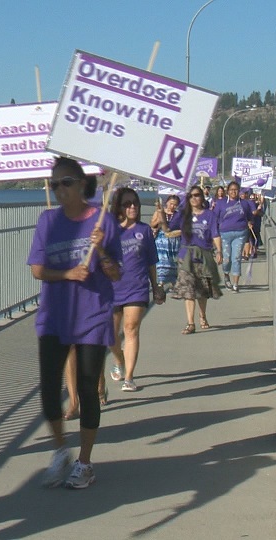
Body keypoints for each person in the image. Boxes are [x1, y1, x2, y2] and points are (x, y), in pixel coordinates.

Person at [27, 157, 122, 489]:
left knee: (86, 388)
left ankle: (84, 461)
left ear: (82, 184)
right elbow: (37, 268)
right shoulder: (47, 221)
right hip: (55, 316)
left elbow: (116, 273)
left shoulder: (103, 220)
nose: (60, 189)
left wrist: (102, 252)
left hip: (92, 315)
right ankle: (59, 451)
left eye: (65, 183)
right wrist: (68, 273)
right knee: (50, 390)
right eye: (54, 185)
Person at [106, 187, 165, 392]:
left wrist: (156, 286)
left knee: (131, 329)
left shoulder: (144, 230)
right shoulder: (109, 230)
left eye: (135, 203)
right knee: (110, 333)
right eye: (127, 204)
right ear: (119, 207)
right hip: (111, 288)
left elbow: (151, 262)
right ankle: (119, 359)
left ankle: (129, 377)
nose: (132, 207)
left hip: (137, 287)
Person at [166, 185, 223, 334]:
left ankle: (202, 315)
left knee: (202, 291)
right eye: (191, 196)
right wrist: (162, 212)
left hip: (203, 255)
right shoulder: (183, 215)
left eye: (197, 195)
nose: (194, 198)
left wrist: (219, 251)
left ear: (202, 197)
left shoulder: (209, 215)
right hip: (186, 256)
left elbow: (215, 234)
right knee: (188, 291)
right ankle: (190, 323)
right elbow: (168, 228)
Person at [213, 181, 252, 292]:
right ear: (227, 191)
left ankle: (235, 284)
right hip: (224, 234)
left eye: (236, 190)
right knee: (226, 259)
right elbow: (214, 219)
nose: (233, 192)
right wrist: (214, 234)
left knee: (236, 258)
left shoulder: (244, 203)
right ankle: (226, 275)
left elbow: (249, 217)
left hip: (240, 234)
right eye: (231, 190)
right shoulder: (221, 203)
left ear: (239, 191)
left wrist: (250, 223)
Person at [150, 194, 181, 290]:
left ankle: (172, 280)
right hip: (161, 239)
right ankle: (161, 282)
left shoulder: (178, 214)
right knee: (162, 260)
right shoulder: (159, 212)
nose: (172, 206)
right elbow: (152, 224)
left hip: (173, 240)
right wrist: (160, 219)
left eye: (175, 205)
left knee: (172, 261)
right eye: (171, 204)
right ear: (167, 202)